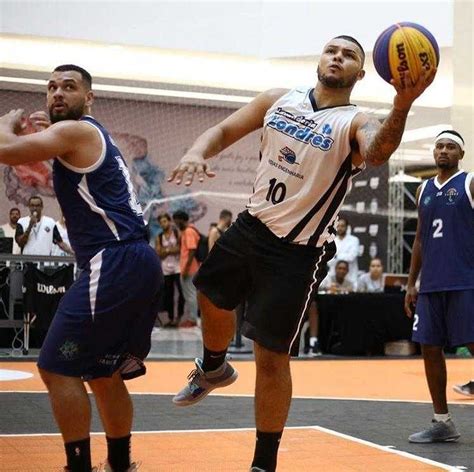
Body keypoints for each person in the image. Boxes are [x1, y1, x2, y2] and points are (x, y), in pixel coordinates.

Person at [168, 35, 435, 471]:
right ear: (320, 59)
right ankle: (213, 366)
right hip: (252, 224)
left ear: (361, 73)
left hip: (296, 252)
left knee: (270, 357)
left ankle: (263, 463)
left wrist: (402, 104)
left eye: (349, 55)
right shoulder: (279, 99)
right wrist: (198, 150)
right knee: (208, 295)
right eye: (332, 50)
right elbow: (224, 130)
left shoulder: (355, 121)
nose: (338, 57)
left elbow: (379, 150)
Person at [0, 64, 162, 472]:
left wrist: (6, 124)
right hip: (133, 259)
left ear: (88, 97)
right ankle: (121, 465)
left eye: (68, 87)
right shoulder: (85, 136)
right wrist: (42, 135)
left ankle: (79, 467)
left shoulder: (78, 132)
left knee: (55, 367)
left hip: (115, 260)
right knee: (103, 373)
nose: (56, 93)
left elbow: (4, 150)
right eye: (51, 87)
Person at [405, 129, 474, 443]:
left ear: (460, 154)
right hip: (431, 283)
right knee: (429, 348)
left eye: (450, 147)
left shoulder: (469, 183)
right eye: (440, 146)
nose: (443, 151)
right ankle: (442, 421)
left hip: (465, 280)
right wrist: (410, 284)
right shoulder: (423, 190)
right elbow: (419, 239)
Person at [156, 212, 184, 327]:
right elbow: (159, 253)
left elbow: (180, 249)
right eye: (161, 222)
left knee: (182, 294)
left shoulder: (177, 233)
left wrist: (166, 250)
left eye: (165, 221)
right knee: (168, 295)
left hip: (178, 268)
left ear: (169, 221)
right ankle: (171, 318)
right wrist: (171, 249)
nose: (163, 224)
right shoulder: (159, 237)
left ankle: (179, 317)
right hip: (166, 270)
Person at [172, 210, 200, 328]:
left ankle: (193, 319)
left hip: (189, 269)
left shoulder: (189, 231)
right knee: (189, 294)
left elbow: (192, 250)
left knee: (190, 294)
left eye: (176, 220)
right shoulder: (185, 231)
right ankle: (192, 318)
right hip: (187, 268)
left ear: (181, 219)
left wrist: (186, 269)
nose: (175, 223)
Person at [327, 217, 360, 288]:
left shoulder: (354, 240)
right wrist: (342, 256)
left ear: (347, 227)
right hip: (334, 276)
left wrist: (336, 256)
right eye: (338, 226)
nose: (340, 228)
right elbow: (329, 261)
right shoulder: (332, 241)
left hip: (350, 276)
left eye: (342, 226)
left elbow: (351, 257)